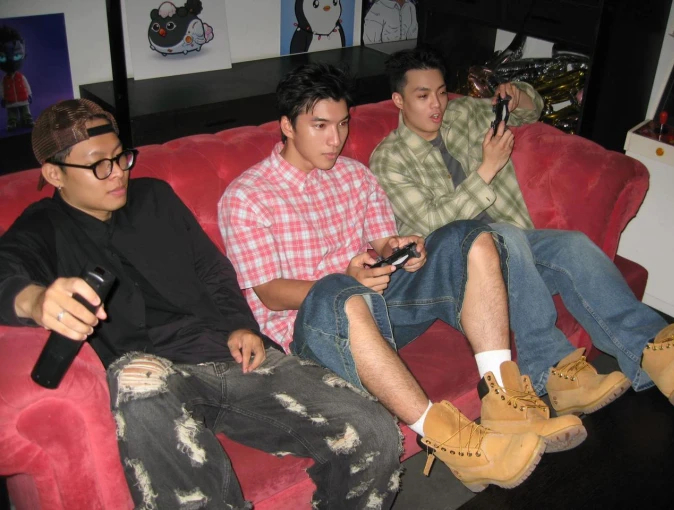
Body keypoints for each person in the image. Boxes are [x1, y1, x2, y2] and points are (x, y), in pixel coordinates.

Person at [0, 99, 405, 510]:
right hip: (153, 378)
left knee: (375, 432)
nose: (119, 172)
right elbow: (5, 271)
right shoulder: (42, 227)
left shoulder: (154, 197)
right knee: (136, 378)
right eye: (99, 165)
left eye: (121, 157)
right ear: (55, 173)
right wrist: (35, 300)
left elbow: (213, 271)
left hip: (230, 356)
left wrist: (241, 326)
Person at [218, 63, 592, 493]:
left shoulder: (355, 175)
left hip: (379, 309)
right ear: (287, 126)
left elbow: (382, 243)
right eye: (319, 126)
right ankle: (451, 441)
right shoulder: (248, 197)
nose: (335, 139)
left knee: (470, 236)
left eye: (342, 124)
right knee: (338, 289)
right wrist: (348, 282)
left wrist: (402, 249)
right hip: (313, 337)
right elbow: (269, 293)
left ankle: (505, 400)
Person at [369, 47, 674, 416]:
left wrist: (517, 95)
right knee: (505, 236)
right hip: (461, 271)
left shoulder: (463, 113)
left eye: (440, 92)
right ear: (398, 100)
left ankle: (651, 351)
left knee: (572, 246)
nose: (437, 105)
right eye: (423, 96)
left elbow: (530, 111)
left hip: (517, 247)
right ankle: (553, 368)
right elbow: (433, 224)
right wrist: (487, 169)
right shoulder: (388, 159)